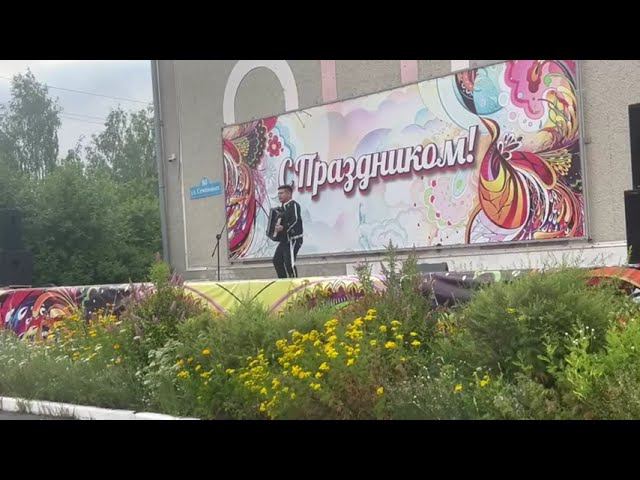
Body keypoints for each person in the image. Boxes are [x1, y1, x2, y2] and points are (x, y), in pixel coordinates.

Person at [272, 185, 303, 278]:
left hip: (294, 239)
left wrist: (284, 228)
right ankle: (283, 281)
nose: (279, 196)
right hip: (285, 240)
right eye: (278, 194)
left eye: (281, 193)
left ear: (289, 194)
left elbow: (295, 220)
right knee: (277, 260)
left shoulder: (294, 205)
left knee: (289, 263)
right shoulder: (282, 208)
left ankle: (294, 283)